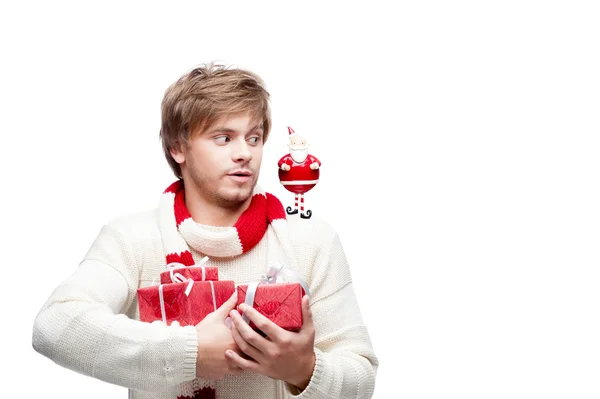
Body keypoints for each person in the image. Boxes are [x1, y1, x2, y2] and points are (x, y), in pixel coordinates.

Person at [32, 63, 378, 399]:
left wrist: (303, 369)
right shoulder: (132, 240)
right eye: (223, 138)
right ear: (178, 148)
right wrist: (190, 352)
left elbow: (361, 377)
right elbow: (57, 325)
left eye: (254, 138)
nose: (244, 153)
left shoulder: (311, 242)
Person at [278, 126, 321, 219]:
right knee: (298, 194)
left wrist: (315, 165)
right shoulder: (287, 158)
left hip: (307, 183)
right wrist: (284, 166)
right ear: (290, 145)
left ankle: (301, 210)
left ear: (306, 144)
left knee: (300, 194)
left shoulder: (310, 158)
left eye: (302, 143)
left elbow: (318, 162)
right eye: (295, 143)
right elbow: (280, 163)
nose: (298, 145)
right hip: (290, 182)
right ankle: (297, 209)